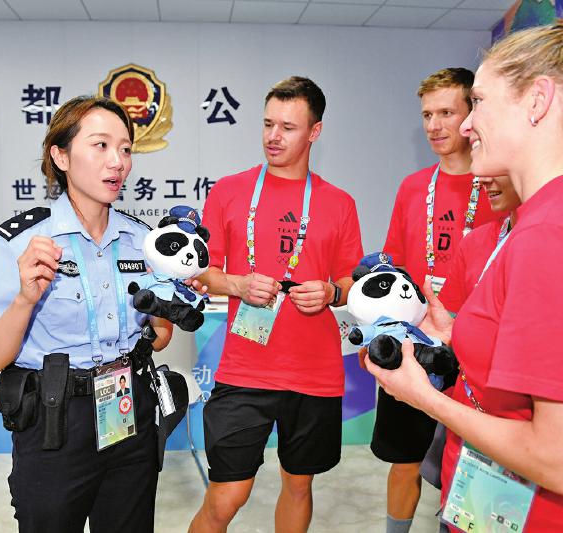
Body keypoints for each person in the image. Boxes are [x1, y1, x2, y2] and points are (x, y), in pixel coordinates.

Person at [366, 1, 563, 530]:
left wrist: (424, 397)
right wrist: (458, 333)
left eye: (479, 102)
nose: (465, 124)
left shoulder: (559, 233)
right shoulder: (556, 215)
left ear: (537, 101)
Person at [0, 95, 176, 533]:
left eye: (125, 149)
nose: (117, 161)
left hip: (128, 409)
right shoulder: (23, 242)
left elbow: (158, 339)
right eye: (101, 145)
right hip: (55, 419)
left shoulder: (142, 241)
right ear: (60, 157)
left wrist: (171, 301)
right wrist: (25, 299)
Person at [188, 76, 363, 533]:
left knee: (299, 485)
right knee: (226, 496)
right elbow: (203, 270)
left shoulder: (339, 203)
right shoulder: (229, 191)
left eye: (288, 127)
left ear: (314, 132)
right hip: (245, 370)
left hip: (314, 374)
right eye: (268, 124)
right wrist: (238, 284)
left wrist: (330, 292)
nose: (273, 136)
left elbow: (352, 282)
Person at [375, 67, 502, 533]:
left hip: (479, 349)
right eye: (427, 115)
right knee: (404, 461)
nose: (434, 125)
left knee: (480, 460)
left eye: (446, 112)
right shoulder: (413, 187)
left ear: (472, 115)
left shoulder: (499, 185)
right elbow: (391, 264)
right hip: (414, 343)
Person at [438, 175, 520, 315]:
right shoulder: (474, 241)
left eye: (498, 167)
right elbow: (450, 316)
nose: (484, 180)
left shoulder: (554, 238)